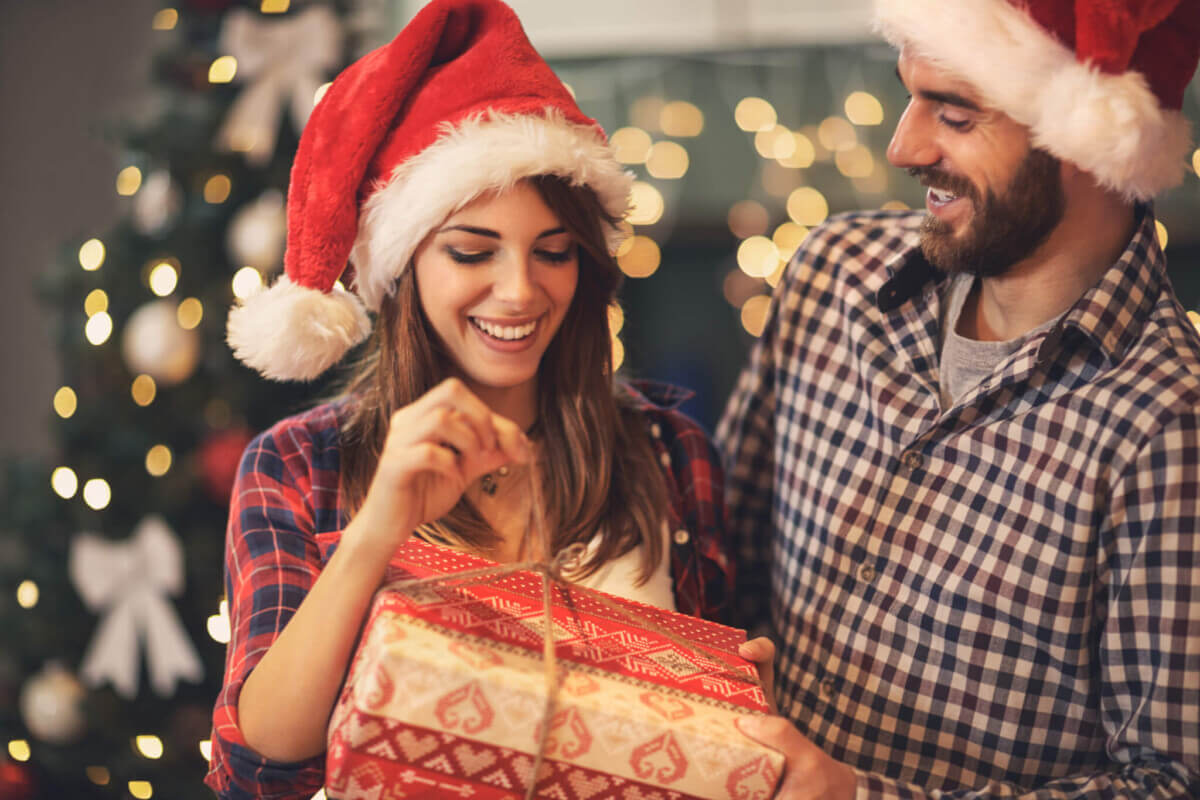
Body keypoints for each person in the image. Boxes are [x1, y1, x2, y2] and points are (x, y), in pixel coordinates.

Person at [203, 2, 749, 797]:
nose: (521, 292)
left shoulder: (667, 450)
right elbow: (260, 768)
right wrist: (376, 529)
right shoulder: (297, 465)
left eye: (554, 252)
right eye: (472, 251)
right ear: (403, 266)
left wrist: (727, 700)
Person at [719, 0, 1200, 798]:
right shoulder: (834, 274)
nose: (904, 147)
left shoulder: (1170, 430)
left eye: (955, 114)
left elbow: (1170, 783)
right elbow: (718, 556)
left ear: (1079, 136)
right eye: (909, 97)